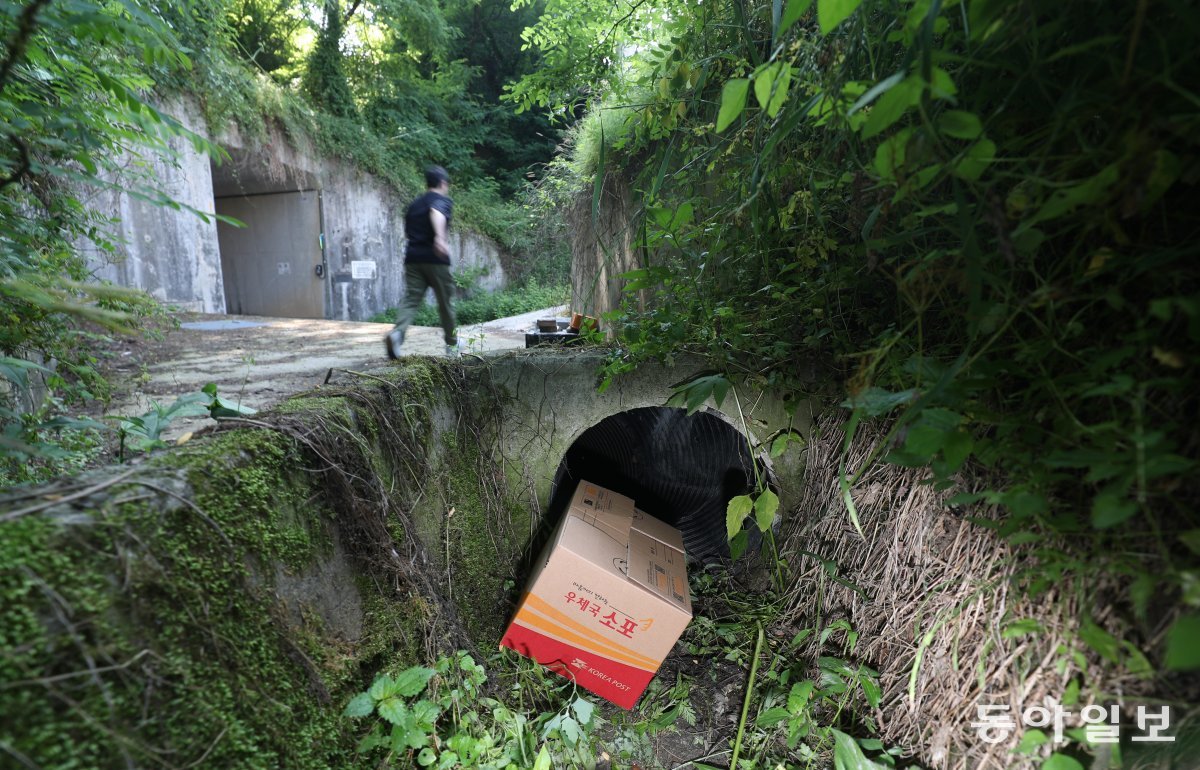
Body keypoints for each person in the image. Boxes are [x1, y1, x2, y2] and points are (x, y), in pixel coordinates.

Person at [386, 165, 459, 358]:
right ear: (443, 183)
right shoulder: (441, 200)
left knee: (411, 299)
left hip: (413, 258)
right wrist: (440, 238)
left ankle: (397, 334)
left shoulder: (414, 205)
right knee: (445, 303)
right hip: (435, 259)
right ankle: (452, 347)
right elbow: (436, 212)